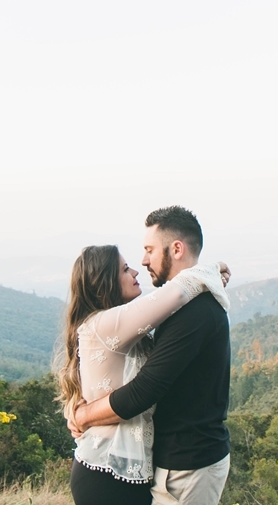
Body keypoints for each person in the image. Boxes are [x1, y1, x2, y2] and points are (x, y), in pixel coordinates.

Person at [70, 206, 232, 505]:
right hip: (122, 467)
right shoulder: (115, 322)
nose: (141, 264)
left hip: (187, 464)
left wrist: (83, 414)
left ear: (176, 249)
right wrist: (211, 270)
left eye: (148, 250)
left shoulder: (193, 311)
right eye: (126, 267)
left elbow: (144, 391)